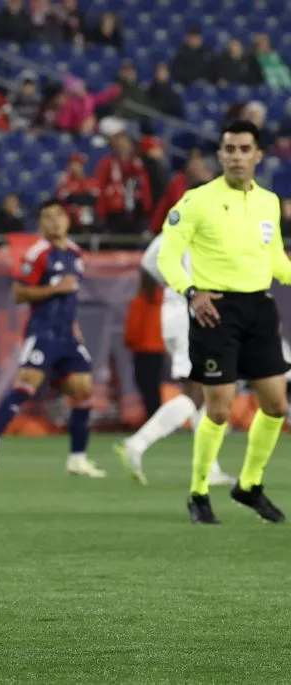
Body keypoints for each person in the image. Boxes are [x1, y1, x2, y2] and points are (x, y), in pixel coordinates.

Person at [156, 119, 290, 525]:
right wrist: (191, 292)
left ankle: (248, 485)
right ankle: (198, 492)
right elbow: (167, 255)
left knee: (276, 405)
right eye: (229, 149)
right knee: (219, 410)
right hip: (215, 310)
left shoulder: (268, 201)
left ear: (257, 155)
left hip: (259, 309)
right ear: (220, 155)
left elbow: (275, 261)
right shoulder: (197, 201)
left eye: (243, 149)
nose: (236, 156)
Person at [0, 200, 105, 478]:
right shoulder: (37, 255)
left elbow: (71, 297)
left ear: (68, 220)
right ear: (40, 224)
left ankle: (77, 458)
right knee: (26, 385)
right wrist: (54, 288)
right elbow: (19, 293)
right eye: (47, 217)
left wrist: (75, 325)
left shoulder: (76, 254)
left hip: (68, 334)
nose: (55, 221)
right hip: (43, 332)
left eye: (59, 215)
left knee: (83, 391)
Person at [114, 233, 236, 486]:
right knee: (196, 394)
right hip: (191, 316)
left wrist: (173, 288)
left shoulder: (173, 229)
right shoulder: (212, 227)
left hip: (175, 312)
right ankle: (137, 443)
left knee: (207, 393)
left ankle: (209, 468)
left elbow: (148, 264)